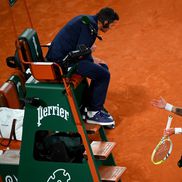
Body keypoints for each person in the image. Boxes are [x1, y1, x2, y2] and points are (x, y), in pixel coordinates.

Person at [46, 7, 119, 126]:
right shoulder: (89, 27)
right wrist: (91, 59)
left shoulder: (88, 21)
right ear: (105, 22)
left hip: (65, 57)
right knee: (104, 75)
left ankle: (88, 107)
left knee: (102, 68)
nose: (111, 28)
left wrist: (90, 57)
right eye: (111, 25)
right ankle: (93, 113)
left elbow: (80, 49)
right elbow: (80, 52)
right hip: (62, 63)